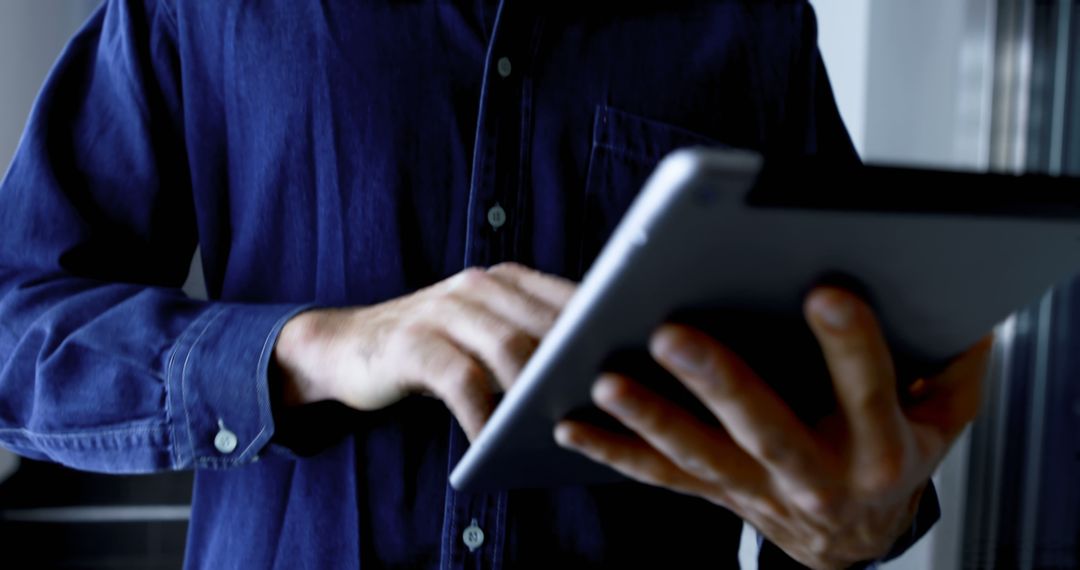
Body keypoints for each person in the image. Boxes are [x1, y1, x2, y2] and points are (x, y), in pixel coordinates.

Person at [0, 0, 991, 568]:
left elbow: (836, 418)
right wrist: (314, 347)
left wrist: (868, 524)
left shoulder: (751, 23)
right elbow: (14, 329)